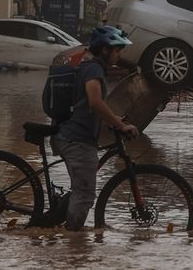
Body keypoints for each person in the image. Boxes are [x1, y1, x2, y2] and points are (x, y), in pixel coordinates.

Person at [54, 25, 140, 231]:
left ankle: (59, 225)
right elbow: (94, 101)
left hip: (71, 135)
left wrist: (115, 119)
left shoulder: (87, 66)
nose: (118, 55)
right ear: (105, 50)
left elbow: (89, 105)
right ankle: (73, 245)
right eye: (117, 50)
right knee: (84, 195)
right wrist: (120, 124)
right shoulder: (94, 69)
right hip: (77, 139)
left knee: (80, 190)